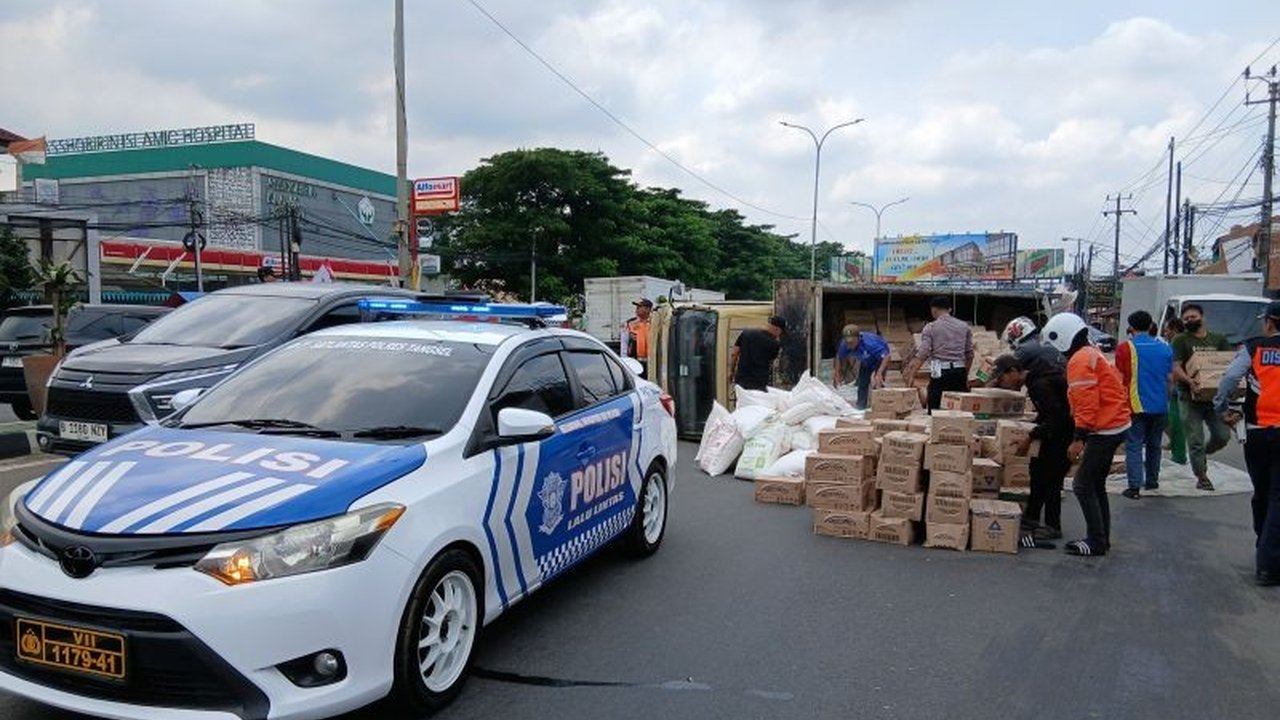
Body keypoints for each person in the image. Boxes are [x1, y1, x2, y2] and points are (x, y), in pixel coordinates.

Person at [1042, 312, 1131, 557]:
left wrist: (1078, 438)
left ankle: (1096, 541)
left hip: (1104, 428)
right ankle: (1102, 538)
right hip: (1115, 424)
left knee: (1082, 485)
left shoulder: (1080, 360)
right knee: (1096, 484)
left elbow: (1087, 403)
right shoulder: (1092, 353)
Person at [1214, 300, 1280, 586]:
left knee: (1262, 493)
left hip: (1256, 432)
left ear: (1269, 322)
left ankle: (1263, 545)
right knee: (1278, 497)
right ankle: (1268, 563)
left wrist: (1221, 407)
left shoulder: (1254, 348)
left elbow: (1229, 378)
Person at [989, 351, 1072, 541]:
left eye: (1002, 378)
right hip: (1055, 432)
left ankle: (1053, 526)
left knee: (1052, 479)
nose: (1002, 384)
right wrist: (1031, 425)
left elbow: (1058, 417)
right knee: (1037, 470)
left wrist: (1030, 436)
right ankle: (1032, 516)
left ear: (1012, 372)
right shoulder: (1037, 379)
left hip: (1063, 435)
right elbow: (1047, 413)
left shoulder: (1039, 385)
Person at [1171, 303, 1233, 490]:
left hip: (1214, 398)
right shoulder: (1180, 340)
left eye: (1193, 317)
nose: (1190, 320)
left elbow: (1226, 364)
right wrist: (1190, 381)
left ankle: (1200, 454)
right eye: (1186, 318)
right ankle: (1202, 476)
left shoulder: (1218, 339)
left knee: (1222, 435)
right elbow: (1175, 367)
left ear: (1202, 317)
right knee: (1195, 439)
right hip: (1189, 396)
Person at [1114, 310, 1175, 499]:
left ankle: (1134, 487)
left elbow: (1119, 377)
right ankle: (1152, 481)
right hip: (1160, 405)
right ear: (1150, 327)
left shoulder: (1125, 348)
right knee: (1154, 445)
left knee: (1134, 445)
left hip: (1135, 405)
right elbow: (1170, 378)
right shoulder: (1165, 348)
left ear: (1131, 327)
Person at [903, 296, 973, 410]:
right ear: (949, 310)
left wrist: (912, 374)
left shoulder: (930, 327)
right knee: (958, 408)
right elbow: (970, 354)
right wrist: (965, 373)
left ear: (933, 310)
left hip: (937, 368)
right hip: (959, 368)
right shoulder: (964, 326)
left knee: (935, 406)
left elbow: (923, 353)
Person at [833, 323, 890, 410]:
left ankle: (881, 407)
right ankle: (861, 406)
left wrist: (879, 372)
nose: (850, 345)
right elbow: (839, 357)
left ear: (858, 338)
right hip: (866, 361)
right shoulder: (845, 345)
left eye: (852, 342)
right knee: (862, 382)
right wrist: (837, 373)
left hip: (880, 359)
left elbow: (886, 356)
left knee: (877, 382)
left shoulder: (870, 344)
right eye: (848, 343)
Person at [731, 316, 786, 392]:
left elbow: (734, 353)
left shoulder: (746, 333)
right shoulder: (774, 345)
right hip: (759, 383)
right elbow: (771, 361)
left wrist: (731, 371)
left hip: (742, 380)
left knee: (742, 402)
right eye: (780, 332)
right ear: (778, 329)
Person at [1162, 317, 1188, 465]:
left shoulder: (1178, 344)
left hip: (1178, 388)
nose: (1165, 333)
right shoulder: (1180, 342)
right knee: (1171, 420)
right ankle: (1175, 445)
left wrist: (1170, 386)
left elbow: (1173, 369)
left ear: (1175, 330)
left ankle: (1179, 455)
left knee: (1175, 421)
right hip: (1177, 387)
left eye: (1167, 330)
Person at [620, 298, 653, 378]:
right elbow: (624, 343)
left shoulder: (655, 322)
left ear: (647, 309)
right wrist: (624, 360)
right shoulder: (630, 323)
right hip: (635, 361)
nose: (637, 309)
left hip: (652, 362)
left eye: (639, 307)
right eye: (637, 307)